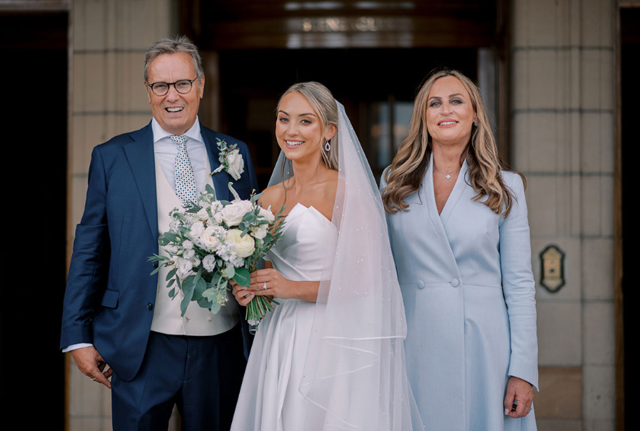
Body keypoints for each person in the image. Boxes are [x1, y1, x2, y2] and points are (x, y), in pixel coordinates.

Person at [59, 35, 258, 430]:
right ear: (148, 92)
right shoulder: (112, 156)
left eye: (182, 83)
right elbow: (90, 248)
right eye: (160, 85)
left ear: (201, 85)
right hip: (140, 342)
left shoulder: (234, 153)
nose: (173, 96)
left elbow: (251, 243)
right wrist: (77, 336)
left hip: (220, 341)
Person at [230, 82, 423, 430]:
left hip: (333, 337)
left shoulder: (348, 192)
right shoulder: (265, 200)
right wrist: (249, 291)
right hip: (281, 336)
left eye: (305, 121)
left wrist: (289, 288)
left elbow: (366, 283)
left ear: (329, 131)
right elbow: (267, 272)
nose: (291, 131)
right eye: (283, 119)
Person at [381, 68, 539, 430]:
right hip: (413, 340)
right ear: (424, 117)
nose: (445, 110)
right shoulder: (393, 182)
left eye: (456, 101)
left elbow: (519, 285)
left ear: (475, 115)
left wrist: (523, 370)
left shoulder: (506, 187)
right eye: (435, 103)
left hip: (484, 347)